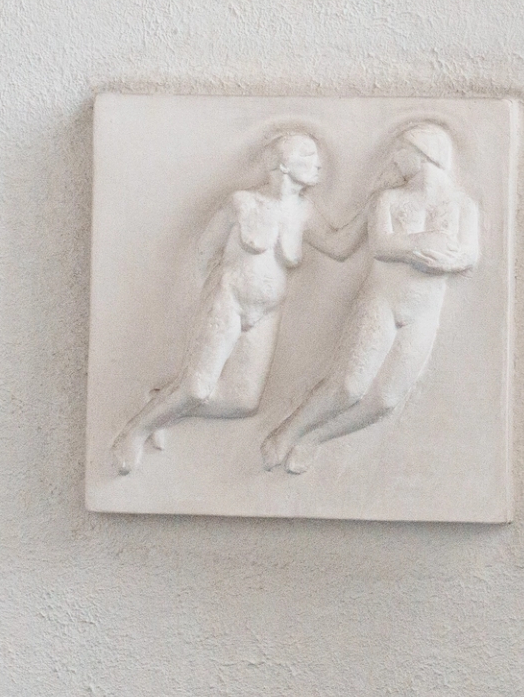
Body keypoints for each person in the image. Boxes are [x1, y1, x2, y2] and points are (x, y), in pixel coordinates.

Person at [260, 120, 478, 474]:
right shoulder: (389, 199)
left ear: (422, 155)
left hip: (423, 312)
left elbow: (470, 254)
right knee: (347, 387)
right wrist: (419, 245)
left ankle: (314, 439)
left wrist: (454, 258)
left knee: (386, 400)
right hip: (382, 303)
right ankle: (289, 431)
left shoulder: (462, 205)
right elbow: (381, 244)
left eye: (401, 153)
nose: (395, 160)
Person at [109, 129, 324, 475]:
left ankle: (164, 402)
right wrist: (218, 294)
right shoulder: (242, 203)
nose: (318, 164)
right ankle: (136, 430)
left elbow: (340, 246)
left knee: (242, 401)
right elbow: (206, 250)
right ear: (283, 165)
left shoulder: (305, 211)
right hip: (229, 297)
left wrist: (380, 212)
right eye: (308, 156)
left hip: (267, 312)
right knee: (197, 387)